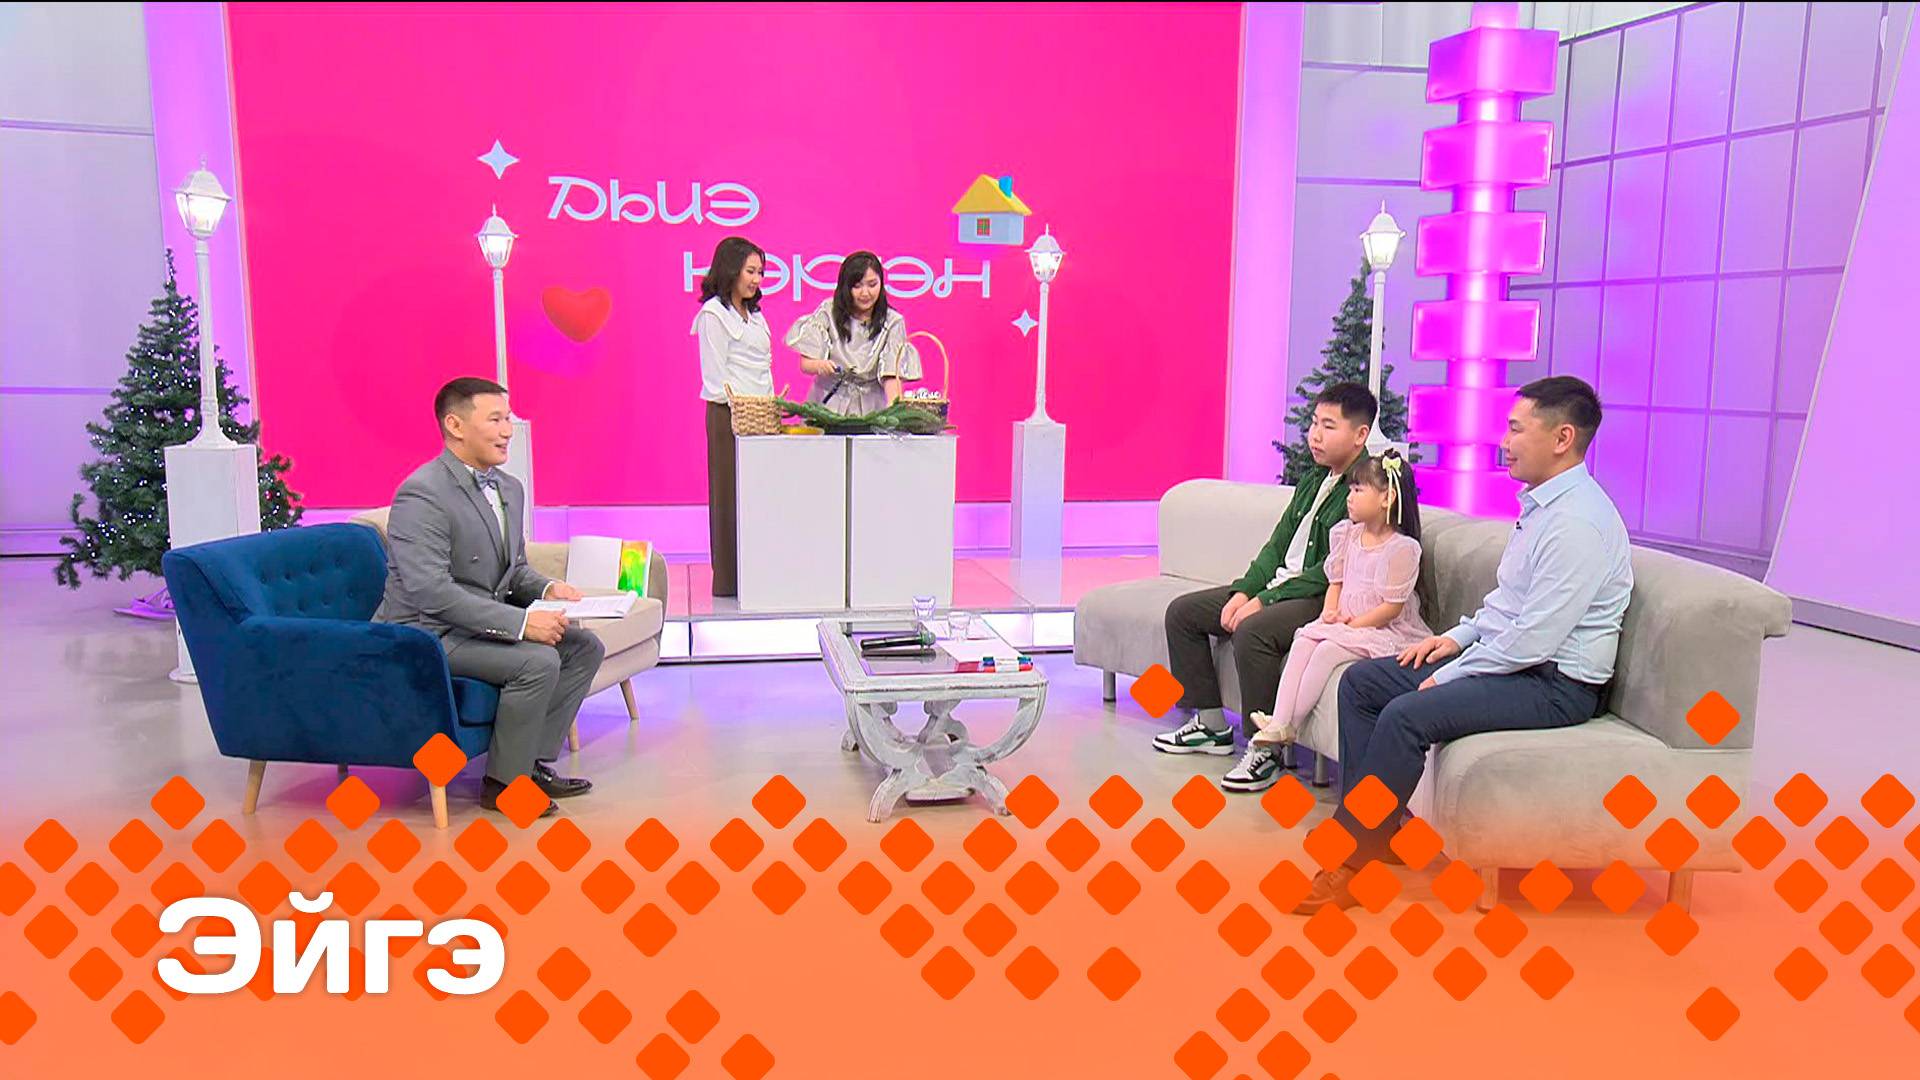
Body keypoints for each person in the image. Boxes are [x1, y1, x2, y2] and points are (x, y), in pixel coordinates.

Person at [1293, 376, 1632, 914]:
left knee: (1406, 713)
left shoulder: (1578, 524)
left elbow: (1534, 640)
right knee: (1363, 682)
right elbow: (1507, 605)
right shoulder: (1542, 508)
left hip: (1554, 683)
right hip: (1514, 660)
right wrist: (1453, 639)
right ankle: (1379, 831)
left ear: (1562, 438)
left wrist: (1451, 673)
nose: (1505, 441)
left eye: (1516, 429)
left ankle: (1353, 862)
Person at [375, 377, 604, 818]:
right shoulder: (422, 493)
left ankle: (527, 764)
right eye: (495, 420)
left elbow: (512, 569)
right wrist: (521, 624)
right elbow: (430, 591)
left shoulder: (509, 488)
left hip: (472, 623)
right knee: (537, 661)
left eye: (508, 419)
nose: (508, 431)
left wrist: (548, 588)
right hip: (425, 632)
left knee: (582, 647)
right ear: (455, 425)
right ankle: (502, 786)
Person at [1152, 382, 1376, 755]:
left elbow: (1330, 571)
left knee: (1252, 631)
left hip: (1319, 597)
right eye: (1314, 423)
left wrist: (1264, 601)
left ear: (1360, 435)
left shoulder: (1365, 490)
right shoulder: (1314, 478)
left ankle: (1265, 750)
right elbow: (1276, 547)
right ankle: (1210, 725)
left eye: (1328, 426)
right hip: (1279, 587)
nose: (1315, 435)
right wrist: (1245, 591)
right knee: (1183, 613)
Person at [1224, 450, 1433, 793]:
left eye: (1358, 490)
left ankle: (1288, 724)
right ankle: (1279, 722)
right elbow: (1335, 582)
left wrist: (1352, 625)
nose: (1349, 497)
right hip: (1344, 622)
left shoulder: (1402, 548)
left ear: (1387, 498)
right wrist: (1330, 613)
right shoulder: (1347, 535)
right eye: (1350, 489)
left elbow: (1391, 609)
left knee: (1326, 652)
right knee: (1305, 639)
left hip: (1380, 629)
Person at [693, 236, 772, 598]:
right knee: (728, 495)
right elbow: (715, 374)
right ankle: (728, 581)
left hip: (761, 418)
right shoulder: (714, 314)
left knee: (758, 496)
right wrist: (740, 406)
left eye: (760, 272)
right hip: (728, 415)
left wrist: (767, 408)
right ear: (731, 270)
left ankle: (758, 574)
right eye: (750, 271)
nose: (756, 279)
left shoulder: (755, 315)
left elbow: (764, 367)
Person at [785, 252, 921, 416]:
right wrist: (820, 365)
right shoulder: (827, 311)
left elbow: (891, 374)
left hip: (871, 408)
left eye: (872, 285)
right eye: (857, 286)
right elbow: (805, 364)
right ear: (845, 286)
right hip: (827, 403)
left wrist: (894, 407)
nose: (865, 293)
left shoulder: (893, 321)